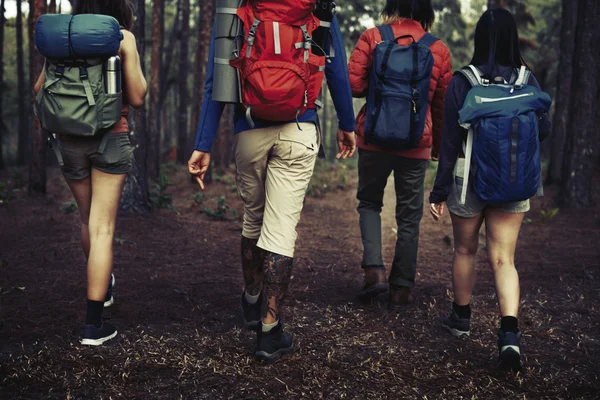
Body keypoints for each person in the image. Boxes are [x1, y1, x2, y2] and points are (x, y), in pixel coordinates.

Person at [188, 2, 356, 362]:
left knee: (254, 218)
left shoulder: (236, 7)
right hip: (300, 126)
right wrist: (347, 124)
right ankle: (270, 328)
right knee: (280, 229)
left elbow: (215, 79)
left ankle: (250, 301)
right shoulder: (318, 6)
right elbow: (336, 70)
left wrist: (203, 144)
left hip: (249, 129)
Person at [429, 8, 552, 370]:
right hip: (514, 180)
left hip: (468, 182)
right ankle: (510, 335)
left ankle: (461, 318)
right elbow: (543, 131)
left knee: (465, 250)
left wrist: (438, 191)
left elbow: (450, 142)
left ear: (478, 39)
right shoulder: (529, 80)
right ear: (515, 40)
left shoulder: (463, 81)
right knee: (504, 259)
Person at [34, 0, 147, 345]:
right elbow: (138, 96)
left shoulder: (63, 37)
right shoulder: (122, 37)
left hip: (68, 142)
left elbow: (39, 90)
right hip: (109, 139)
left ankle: (103, 285)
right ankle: (93, 325)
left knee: (88, 222)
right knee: (103, 228)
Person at [348, 0, 452, 309]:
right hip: (416, 143)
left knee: (369, 202)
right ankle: (401, 288)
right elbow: (442, 104)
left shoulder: (373, 37)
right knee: (409, 218)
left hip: (374, 138)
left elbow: (354, 85)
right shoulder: (438, 48)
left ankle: (374, 271)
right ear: (427, 12)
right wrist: (436, 145)